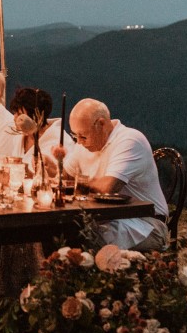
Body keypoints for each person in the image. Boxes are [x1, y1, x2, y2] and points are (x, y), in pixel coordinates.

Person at [54, 98, 169, 252]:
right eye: (75, 136)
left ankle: (80, 274)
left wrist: (80, 182)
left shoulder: (130, 140)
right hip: (109, 218)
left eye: (83, 136)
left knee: (86, 238)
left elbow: (108, 187)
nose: (79, 142)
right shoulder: (85, 144)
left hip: (146, 223)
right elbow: (64, 177)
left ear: (101, 124)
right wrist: (56, 166)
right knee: (56, 231)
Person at [9, 87, 74, 177]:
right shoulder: (19, 137)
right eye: (15, 113)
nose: (15, 118)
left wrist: (26, 171)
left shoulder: (60, 141)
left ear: (37, 116)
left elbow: (61, 177)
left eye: (20, 115)